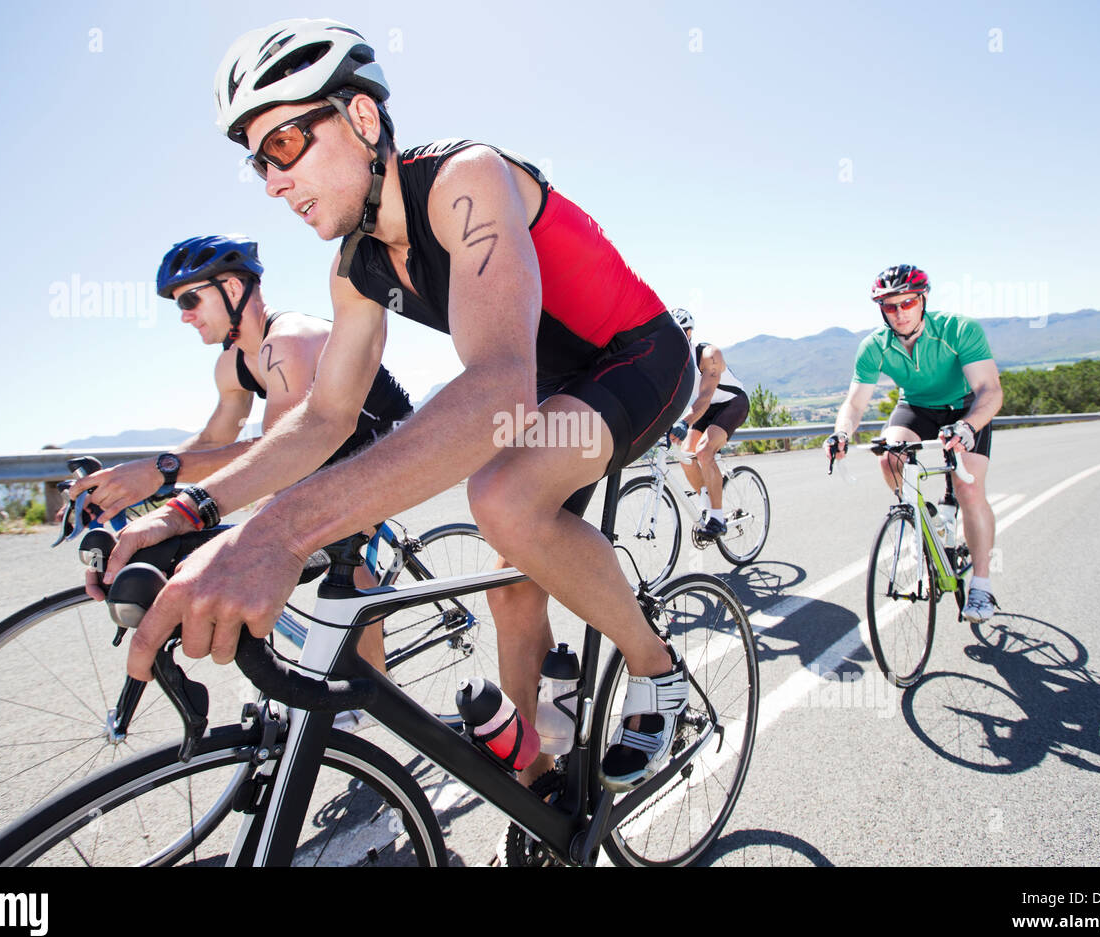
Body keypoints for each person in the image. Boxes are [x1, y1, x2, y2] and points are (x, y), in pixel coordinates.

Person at [105, 19, 695, 792]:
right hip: (555, 396)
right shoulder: (354, 271)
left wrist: (277, 534)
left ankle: (658, 672)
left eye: (284, 144)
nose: (273, 180)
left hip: (635, 355)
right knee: (512, 589)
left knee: (502, 496)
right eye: (259, 162)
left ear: (362, 118)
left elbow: (497, 386)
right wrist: (190, 509)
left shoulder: (464, 179)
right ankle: (533, 787)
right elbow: (324, 419)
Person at [70, 234, 413, 671]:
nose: (185, 316)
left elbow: (279, 448)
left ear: (232, 289)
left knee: (321, 538)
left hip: (383, 441)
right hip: (319, 451)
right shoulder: (232, 362)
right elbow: (215, 440)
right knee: (268, 527)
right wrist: (135, 483)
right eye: (179, 304)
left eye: (190, 299)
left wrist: (161, 473)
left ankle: (365, 690)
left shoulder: (287, 342)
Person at [826, 264, 1003, 622]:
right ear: (881, 310)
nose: (900, 313)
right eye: (891, 307)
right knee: (888, 458)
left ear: (922, 300)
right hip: (917, 407)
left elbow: (990, 390)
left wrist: (968, 428)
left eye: (908, 303)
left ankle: (981, 586)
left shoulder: (957, 329)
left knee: (969, 490)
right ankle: (931, 518)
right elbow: (856, 402)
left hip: (966, 407)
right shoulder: (875, 345)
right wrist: (842, 433)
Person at [668, 308, 751, 536]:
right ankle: (707, 501)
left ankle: (717, 518)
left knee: (704, 452)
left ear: (689, 333)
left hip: (732, 403)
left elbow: (704, 397)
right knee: (686, 456)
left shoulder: (709, 355)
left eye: (678, 334)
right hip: (706, 407)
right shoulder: (671, 363)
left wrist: (684, 423)